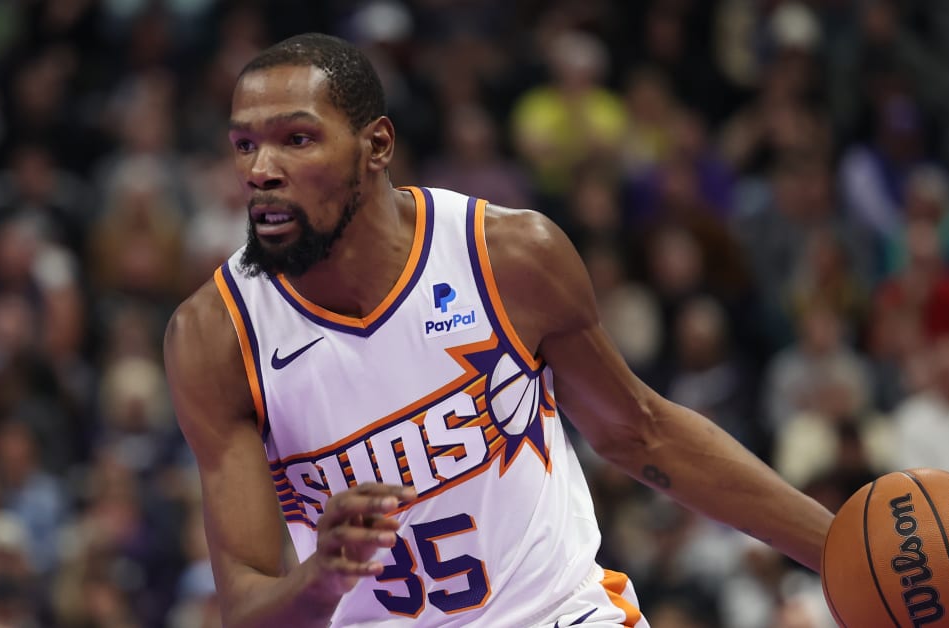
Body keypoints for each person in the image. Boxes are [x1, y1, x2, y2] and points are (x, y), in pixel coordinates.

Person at [162, 33, 833, 627]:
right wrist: (321, 579)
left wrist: (840, 551)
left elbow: (642, 433)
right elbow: (246, 610)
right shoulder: (214, 338)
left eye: (296, 139)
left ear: (377, 146)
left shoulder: (505, 256)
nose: (260, 170)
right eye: (245, 145)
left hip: (556, 614)